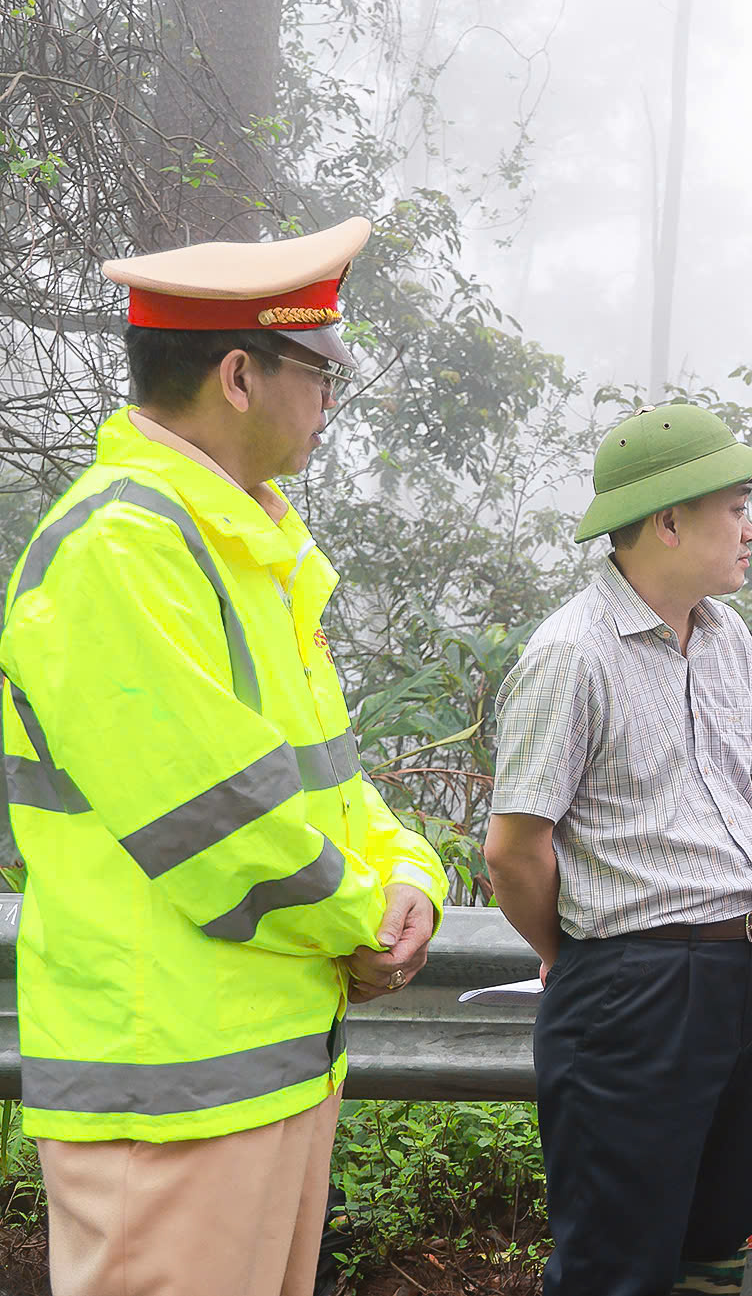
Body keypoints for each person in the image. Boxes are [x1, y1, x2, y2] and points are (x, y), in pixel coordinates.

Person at [0, 218, 447, 1296]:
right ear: (240, 377)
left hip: (270, 1068)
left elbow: (329, 779)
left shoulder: (245, 544)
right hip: (167, 1089)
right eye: (318, 373)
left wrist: (411, 875)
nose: (329, 400)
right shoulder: (122, 547)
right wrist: (366, 925)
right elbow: (220, 820)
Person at [484, 404, 752, 1296]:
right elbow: (514, 849)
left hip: (743, 968)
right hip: (634, 985)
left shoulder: (728, 638)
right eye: (736, 508)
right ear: (669, 522)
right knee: (617, 1259)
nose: (751, 528)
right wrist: (578, 954)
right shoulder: (571, 653)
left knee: (714, 1241)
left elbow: (731, 795)